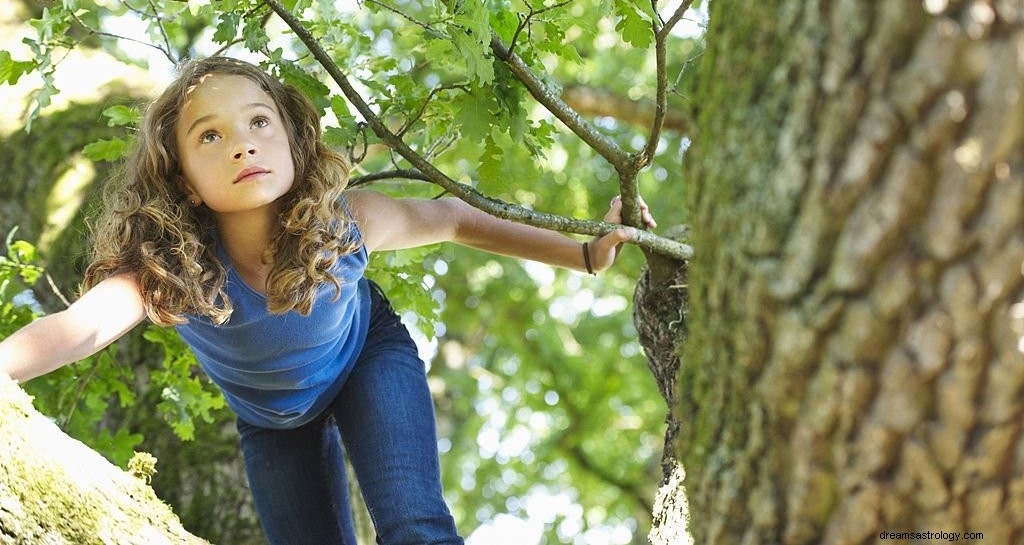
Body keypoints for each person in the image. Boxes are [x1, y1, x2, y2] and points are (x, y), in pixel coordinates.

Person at [0, 56, 656, 545]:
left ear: (291, 140)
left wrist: (586, 254)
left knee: (416, 527)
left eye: (259, 121)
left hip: (368, 358)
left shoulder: (346, 224)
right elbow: (78, 328)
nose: (242, 141)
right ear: (185, 182)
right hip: (275, 422)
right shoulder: (169, 270)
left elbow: (455, 217)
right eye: (209, 136)